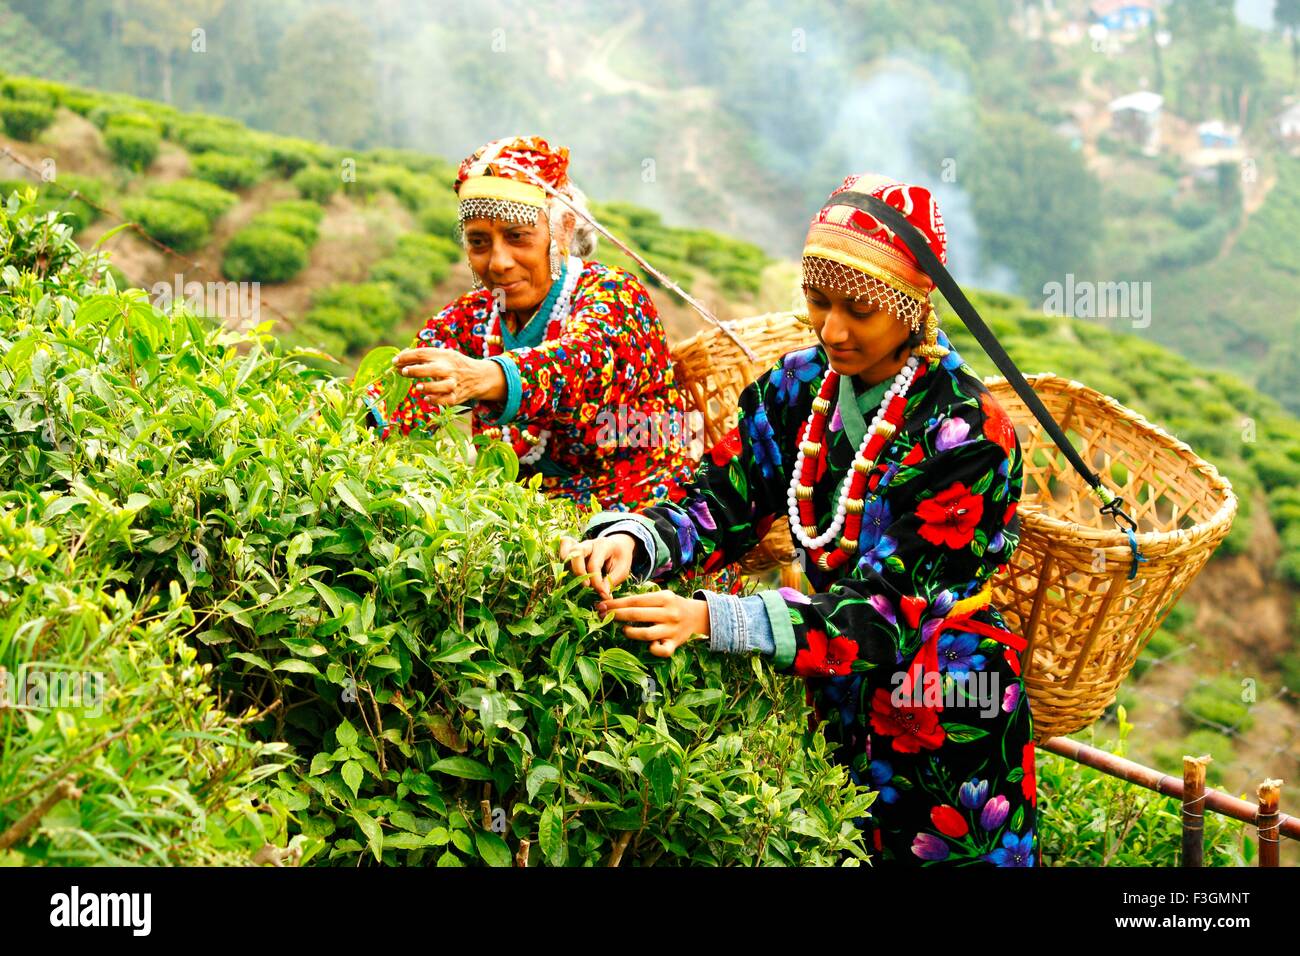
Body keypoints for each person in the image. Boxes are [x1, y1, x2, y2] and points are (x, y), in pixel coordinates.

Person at [560, 174, 1039, 867]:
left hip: (947, 718)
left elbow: (884, 612)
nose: (832, 330)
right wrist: (636, 540)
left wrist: (711, 618)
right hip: (839, 699)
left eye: (859, 311)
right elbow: (719, 498)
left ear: (911, 305)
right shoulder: (799, 386)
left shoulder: (966, 431)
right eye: (818, 302)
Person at [362, 136, 696, 511]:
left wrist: (489, 377)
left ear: (564, 230)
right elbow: (403, 394)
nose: (498, 262)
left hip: (648, 522)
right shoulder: (473, 317)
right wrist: (357, 420)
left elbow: (583, 360)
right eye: (479, 242)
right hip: (525, 526)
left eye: (517, 236)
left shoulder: (616, 296)